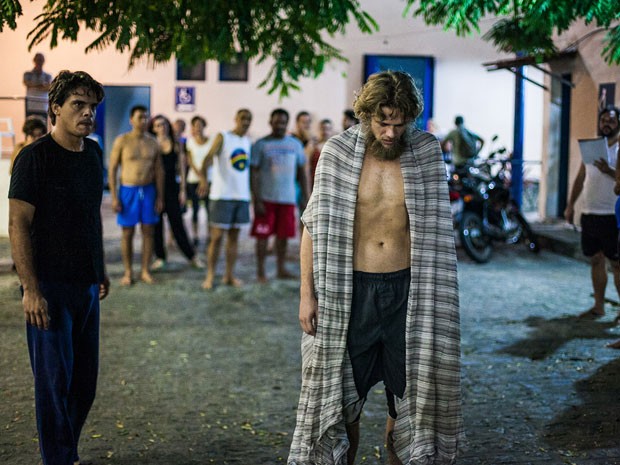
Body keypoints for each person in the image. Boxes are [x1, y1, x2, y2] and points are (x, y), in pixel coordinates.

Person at [288, 71, 463, 465]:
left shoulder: (425, 152)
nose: (389, 133)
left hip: (409, 293)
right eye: (382, 122)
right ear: (365, 114)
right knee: (342, 404)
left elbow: (437, 232)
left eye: (399, 125)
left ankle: (396, 452)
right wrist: (306, 295)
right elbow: (312, 227)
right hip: (351, 292)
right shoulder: (336, 153)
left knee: (408, 404)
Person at [8, 70, 109, 465]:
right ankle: (60, 458)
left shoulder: (94, 154)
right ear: (56, 109)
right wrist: (30, 289)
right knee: (54, 384)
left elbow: (91, 216)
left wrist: (99, 266)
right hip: (47, 288)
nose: (87, 113)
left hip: (85, 286)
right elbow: (17, 223)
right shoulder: (34, 158)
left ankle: (66, 451)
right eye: (78, 105)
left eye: (92, 107)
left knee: (84, 385)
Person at [565, 105, 620, 320]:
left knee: (616, 264)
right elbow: (581, 178)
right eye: (603, 120)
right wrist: (571, 205)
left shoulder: (619, 150)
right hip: (590, 212)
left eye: (612, 121)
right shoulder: (591, 148)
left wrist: (608, 170)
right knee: (595, 259)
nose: (607, 123)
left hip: (612, 215)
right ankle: (599, 306)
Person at [250, 108, 308, 283]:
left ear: (287, 123)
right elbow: (253, 174)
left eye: (283, 122)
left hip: (288, 199)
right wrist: (256, 199)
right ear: (270, 122)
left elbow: (301, 173)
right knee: (262, 236)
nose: (280, 125)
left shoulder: (295, 145)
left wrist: (306, 196)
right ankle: (261, 272)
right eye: (276, 122)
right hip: (266, 199)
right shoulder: (260, 145)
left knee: (283, 236)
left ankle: (280, 269)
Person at [108, 105, 164, 286]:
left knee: (149, 232)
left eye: (146, 117)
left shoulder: (153, 142)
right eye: (140, 117)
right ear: (131, 120)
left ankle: (145, 270)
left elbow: (159, 171)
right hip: (128, 190)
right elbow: (113, 169)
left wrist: (160, 197)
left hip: (148, 190)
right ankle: (128, 271)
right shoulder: (122, 141)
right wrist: (115, 196)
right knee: (128, 232)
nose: (144, 121)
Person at [199, 109, 253, 289]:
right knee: (216, 238)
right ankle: (210, 275)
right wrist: (203, 180)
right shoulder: (223, 137)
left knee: (234, 238)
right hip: (222, 196)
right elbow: (207, 158)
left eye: (248, 119)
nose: (245, 122)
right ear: (235, 119)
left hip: (242, 196)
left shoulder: (247, 141)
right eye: (242, 118)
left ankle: (229, 275)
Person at [148, 115, 203, 270]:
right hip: (154, 189)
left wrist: (183, 190)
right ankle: (160, 257)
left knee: (177, 224)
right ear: (153, 128)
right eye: (158, 125)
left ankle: (191, 256)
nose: (161, 127)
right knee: (156, 226)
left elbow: (182, 170)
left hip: (172, 189)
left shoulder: (176, 144)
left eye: (164, 124)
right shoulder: (151, 144)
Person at [185, 115, 213, 246]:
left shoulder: (211, 140)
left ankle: (209, 234)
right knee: (195, 208)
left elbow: (212, 159)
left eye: (200, 124)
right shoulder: (190, 142)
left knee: (209, 208)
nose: (198, 127)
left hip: (209, 179)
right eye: (195, 125)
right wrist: (201, 177)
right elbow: (190, 161)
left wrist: (204, 179)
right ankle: (195, 235)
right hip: (194, 179)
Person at [23, 52, 53, 124]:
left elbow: (49, 87)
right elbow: (27, 83)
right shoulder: (28, 74)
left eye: (41, 60)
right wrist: (41, 85)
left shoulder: (47, 76)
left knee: (43, 125)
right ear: (34, 60)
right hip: (31, 104)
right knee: (30, 125)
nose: (39, 62)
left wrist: (34, 86)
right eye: (38, 60)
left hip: (43, 105)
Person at [308, 118, 334, 190]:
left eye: (328, 129)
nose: (325, 132)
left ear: (331, 131)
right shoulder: (313, 147)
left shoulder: (335, 148)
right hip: (314, 183)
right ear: (319, 130)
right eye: (323, 129)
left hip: (329, 184)